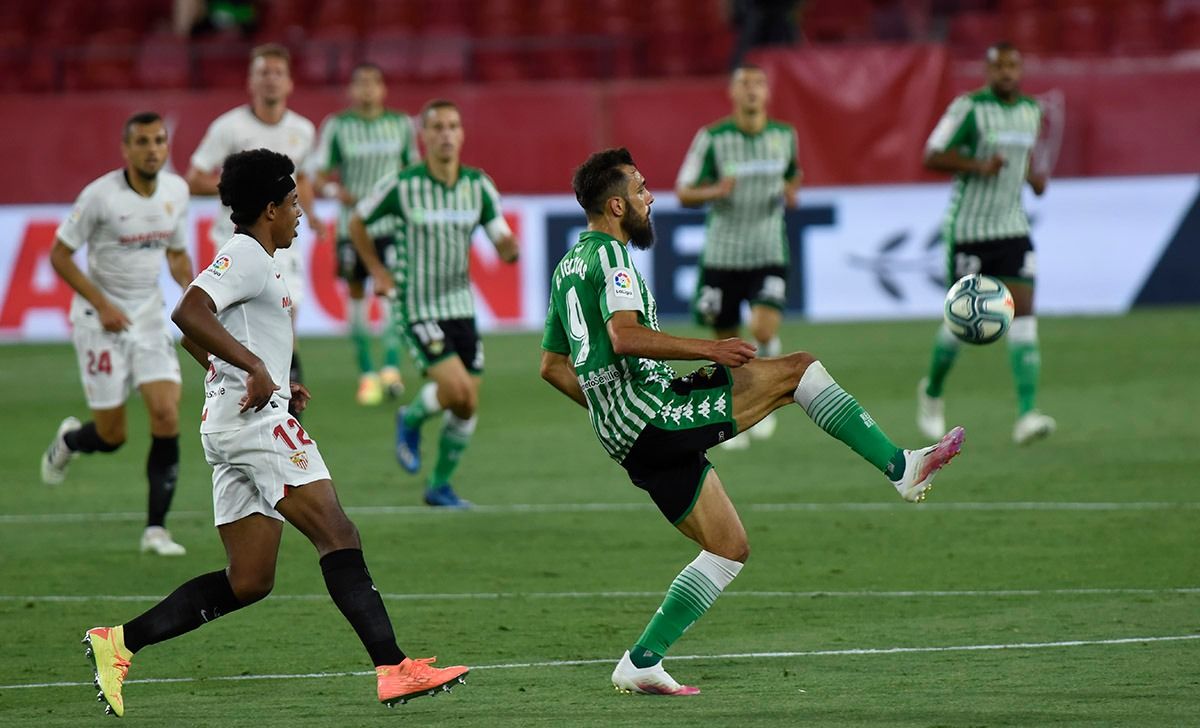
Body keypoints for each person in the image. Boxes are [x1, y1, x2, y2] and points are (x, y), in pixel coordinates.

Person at [540, 148, 964, 695]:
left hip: (628, 432)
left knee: (729, 546)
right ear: (617, 205)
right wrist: (707, 349)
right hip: (652, 414)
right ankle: (900, 468)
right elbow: (624, 336)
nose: (651, 199)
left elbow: (551, 366)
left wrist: (608, 412)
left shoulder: (567, 266)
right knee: (798, 372)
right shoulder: (612, 260)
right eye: (642, 190)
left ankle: (642, 661)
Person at [82, 149, 468, 719]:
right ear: (268, 209)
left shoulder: (254, 258)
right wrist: (256, 370)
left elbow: (203, 334)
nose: (300, 215)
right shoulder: (247, 255)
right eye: (292, 205)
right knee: (338, 533)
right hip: (256, 425)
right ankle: (393, 667)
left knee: (250, 578)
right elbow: (188, 312)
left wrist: (264, 372)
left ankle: (119, 642)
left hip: (232, 424)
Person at [350, 99, 519, 509]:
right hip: (418, 306)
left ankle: (439, 486)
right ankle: (410, 420)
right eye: (437, 127)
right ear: (423, 137)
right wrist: (378, 271)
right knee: (455, 388)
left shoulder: (478, 185)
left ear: (462, 134)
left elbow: (499, 234)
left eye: (453, 126)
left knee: (466, 402)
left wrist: (508, 247)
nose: (445, 134)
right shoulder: (402, 184)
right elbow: (358, 221)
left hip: (461, 306)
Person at [41, 112, 192, 556]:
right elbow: (60, 255)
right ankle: (70, 441)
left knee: (166, 414)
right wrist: (102, 303)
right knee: (112, 436)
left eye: (159, 140)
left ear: (167, 146)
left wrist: (194, 292)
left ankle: (156, 531)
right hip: (98, 321)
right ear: (126, 149)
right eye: (142, 141)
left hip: (147, 317)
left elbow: (178, 254)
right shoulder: (99, 197)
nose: (152, 149)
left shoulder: (176, 192)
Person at [919, 41, 1055, 445]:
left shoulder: (1032, 111)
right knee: (960, 325)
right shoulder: (969, 108)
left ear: (1021, 69)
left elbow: (1024, 157)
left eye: (1013, 65)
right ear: (988, 70)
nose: (1007, 73)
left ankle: (1027, 414)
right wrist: (979, 165)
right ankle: (931, 393)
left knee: (1025, 313)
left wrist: (1031, 177)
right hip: (970, 231)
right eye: (999, 66)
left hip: (1013, 227)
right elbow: (932, 155)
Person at [187, 43, 319, 418]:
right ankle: (238, 386)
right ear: (251, 80)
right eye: (263, 72)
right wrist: (243, 192)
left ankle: (280, 403)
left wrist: (315, 217)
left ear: (290, 82)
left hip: (283, 240)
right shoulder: (228, 127)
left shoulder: (303, 130)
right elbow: (195, 177)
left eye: (278, 72)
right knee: (234, 320)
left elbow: (303, 179)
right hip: (238, 238)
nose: (271, 79)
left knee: (283, 319)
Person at [676, 64, 802, 448]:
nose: (752, 90)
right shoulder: (713, 138)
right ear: (732, 93)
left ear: (767, 93)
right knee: (727, 344)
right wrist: (716, 191)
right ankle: (728, 414)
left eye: (759, 83)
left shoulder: (785, 136)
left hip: (767, 249)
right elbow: (684, 192)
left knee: (763, 331)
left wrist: (791, 191)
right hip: (723, 254)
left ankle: (766, 399)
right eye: (745, 84)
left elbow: (794, 174)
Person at [310, 62, 420, 406]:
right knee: (356, 295)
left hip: (391, 226)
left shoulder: (400, 124)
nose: (368, 89)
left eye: (374, 82)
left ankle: (390, 369)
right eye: (361, 83)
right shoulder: (338, 127)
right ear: (351, 90)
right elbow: (318, 175)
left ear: (383, 88)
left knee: (389, 292)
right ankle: (367, 375)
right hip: (351, 227)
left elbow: (413, 170)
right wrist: (333, 193)